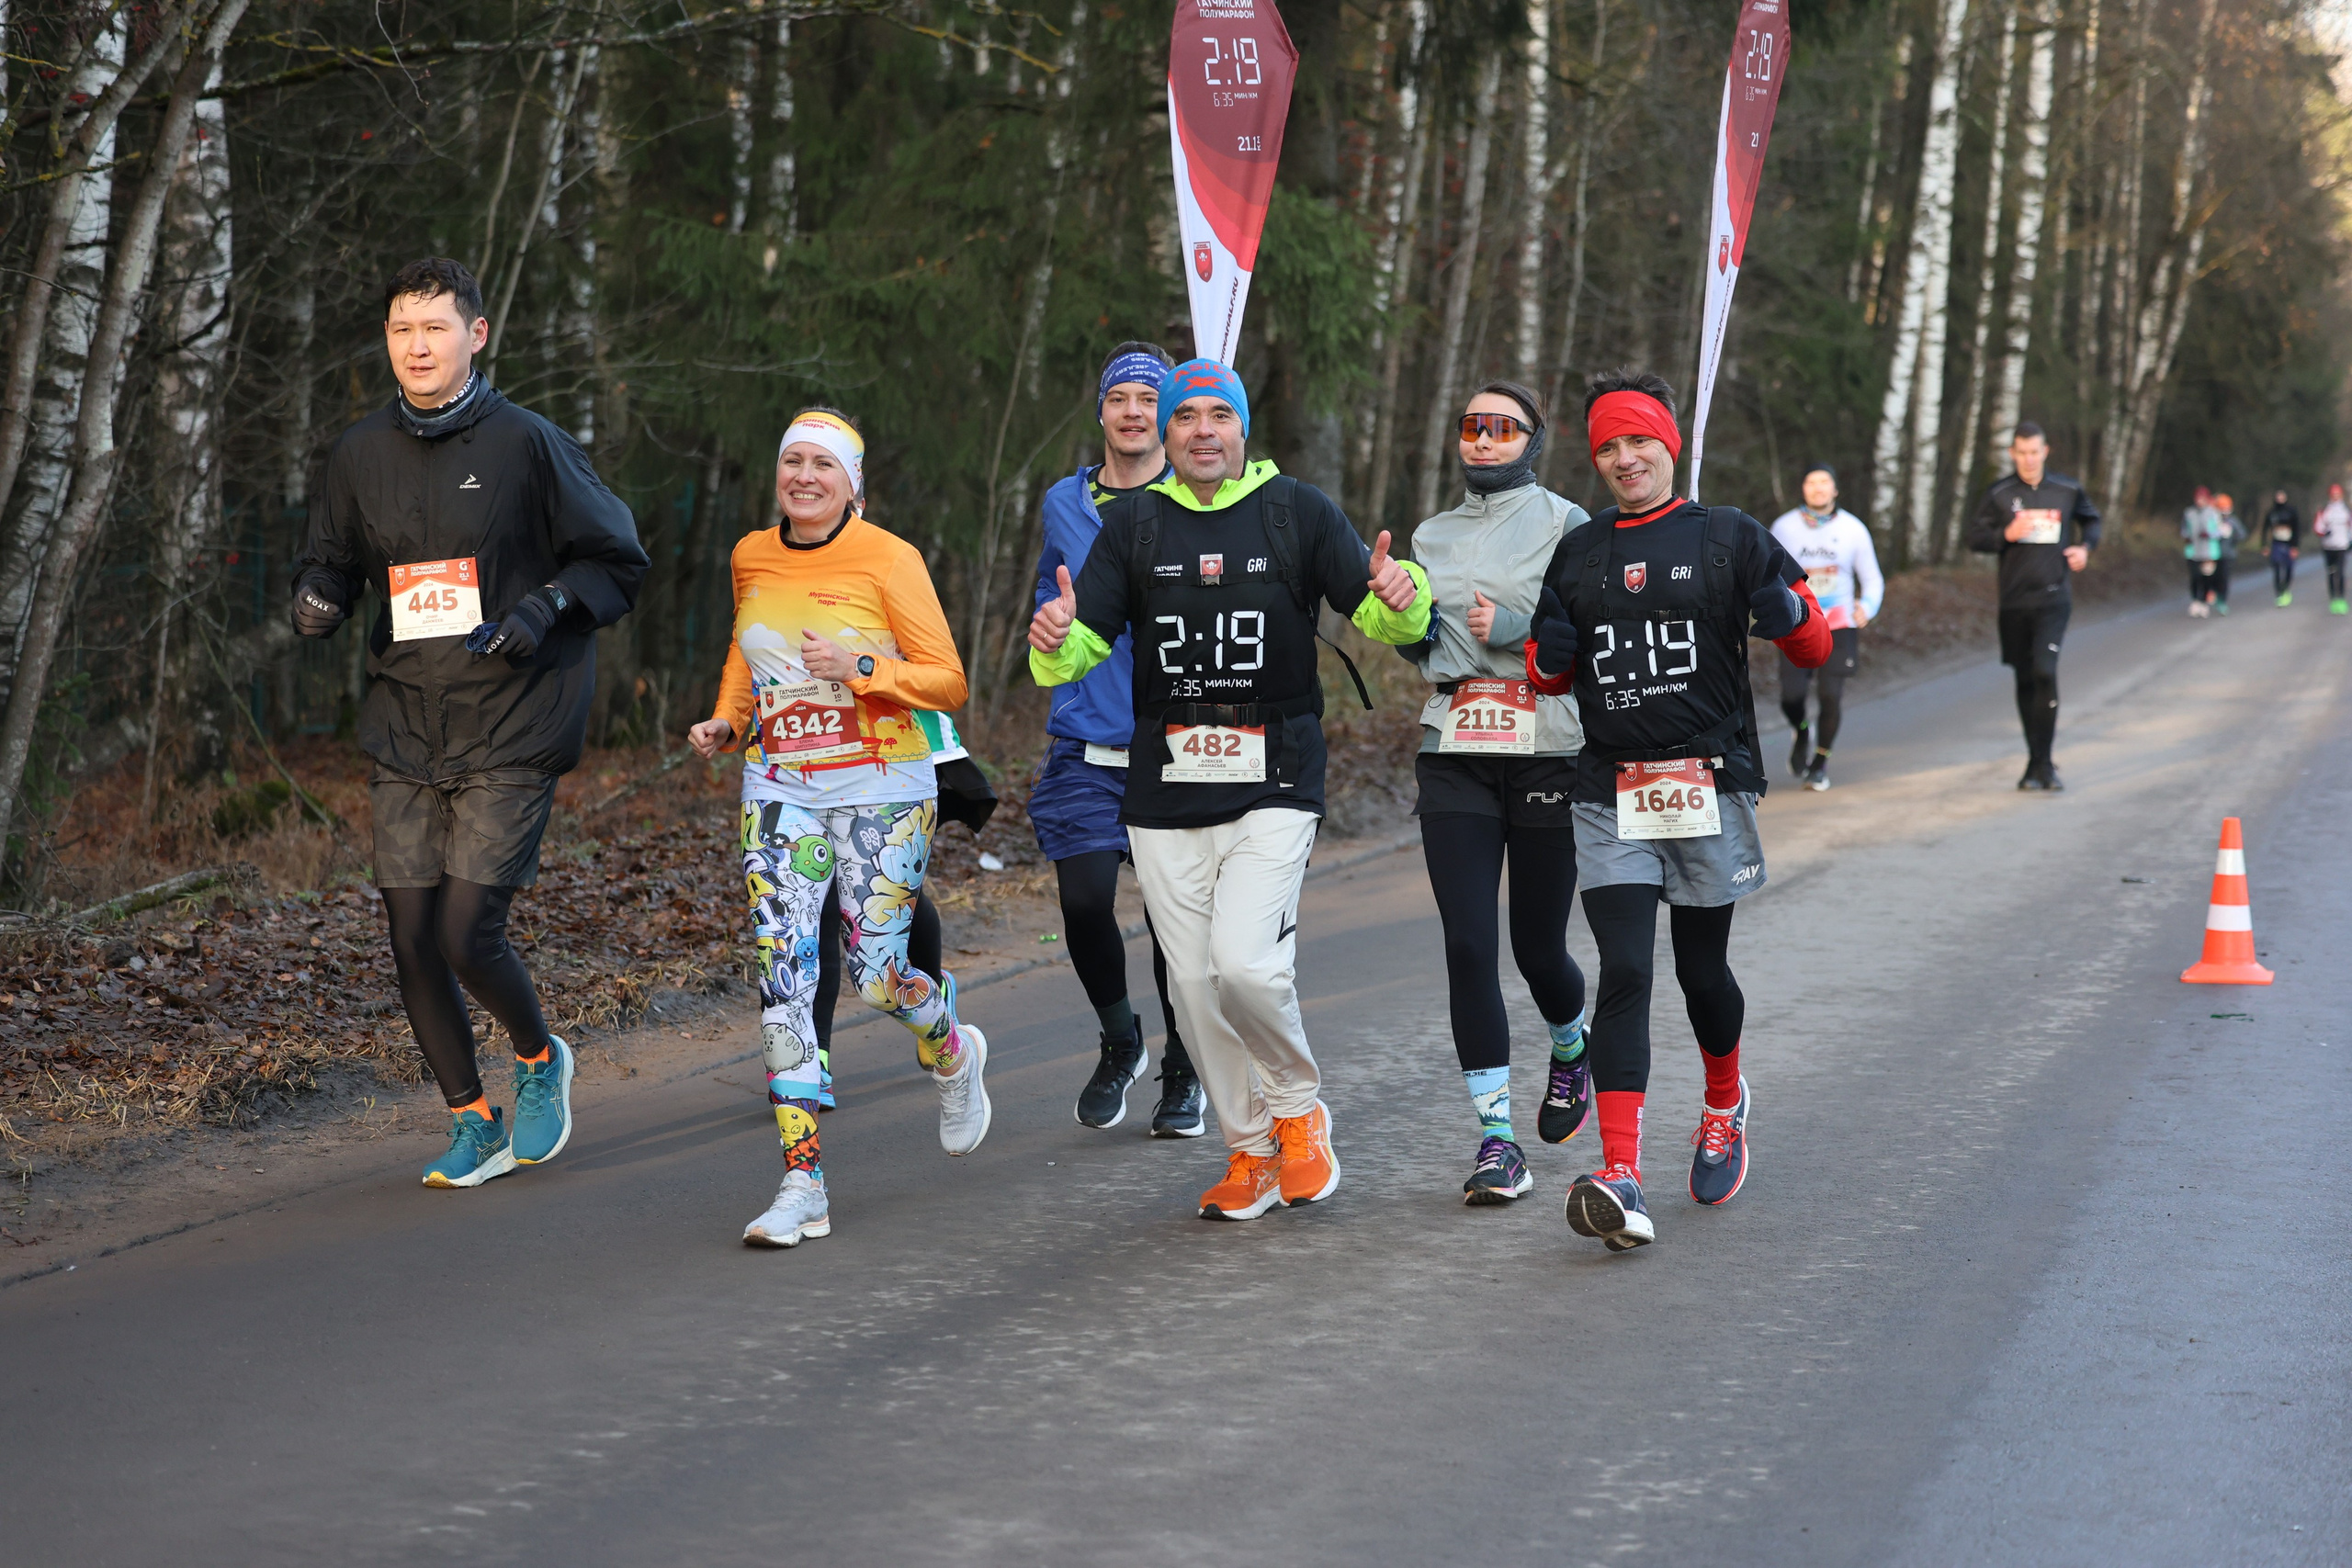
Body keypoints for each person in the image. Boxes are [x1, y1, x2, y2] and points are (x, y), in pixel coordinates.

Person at [1027, 359, 1431, 1220]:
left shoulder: (1297, 511)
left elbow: (1388, 618)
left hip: (1274, 774)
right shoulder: (1134, 524)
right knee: (1191, 988)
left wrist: (1403, 593)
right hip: (1164, 786)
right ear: (1166, 437)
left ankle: (1298, 1110)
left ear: (1242, 429)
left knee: (1246, 965)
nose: (1202, 430)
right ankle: (1247, 1150)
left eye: (1219, 415)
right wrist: (1056, 634)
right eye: (1186, 418)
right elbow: (1076, 653)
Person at [293, 257, 649, 1190]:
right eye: (402, 330)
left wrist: (541, 611)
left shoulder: (529, 444)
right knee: (409, 937)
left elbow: (618, 561)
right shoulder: (359, 452)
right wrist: (317, 598)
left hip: (514, 714)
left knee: (464, 933)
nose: (417, 346)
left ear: (475, 336)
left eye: (436, 328)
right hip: (407, 720)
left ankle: (537, 1060)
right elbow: (330, 560)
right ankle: (471, 1120)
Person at [1523, 368, 1827, 1251]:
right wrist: (1550, 654)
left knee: (1702, 973)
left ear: (1670, 444)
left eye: (1637, 442)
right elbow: (1549, 675)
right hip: (1609, 789)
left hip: (1705, 782)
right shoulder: (1580, 553)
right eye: (1607, 447)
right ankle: (1622, 1172)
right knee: (1625, 967)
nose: (1623, 459)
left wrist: (1787, 611)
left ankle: (1725, 1100)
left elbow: (1810, 638)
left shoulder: (1730, 536)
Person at [687, 407, 989, 1249]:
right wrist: (726, 718)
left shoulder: (892, 559)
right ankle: (802, 1184)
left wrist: (862, 668)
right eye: (793, 462)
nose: (805, 477)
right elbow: (748, 650)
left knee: (876, 977)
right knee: (784, 982)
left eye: (824, 464)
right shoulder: (753, 553)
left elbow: (948, 680)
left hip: (885, 786)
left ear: (851, 482)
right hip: (780, 785)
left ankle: (950, 1044)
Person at [1396, 381, 1591, 1204]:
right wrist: (1401, 616)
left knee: (1537, 947)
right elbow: (1423, 648)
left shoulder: (1571, 524)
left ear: (1532, 439)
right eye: (1471, 426)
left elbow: (1585, 626)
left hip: (1546, 746)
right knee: (1469, 945)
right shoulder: (1429, 535)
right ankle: (1497, 1140)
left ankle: (1571, 1045)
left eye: (1500, 427)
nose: (1481, 440)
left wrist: (1515, 624)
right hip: (1455, 751)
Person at [1028, 343, 1203, 1137]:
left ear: (1167, 416)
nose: (1133, 410)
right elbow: (1048, 601)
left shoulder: (1201, 500)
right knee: (1086, 898)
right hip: (1085, 742)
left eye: (1148, 398)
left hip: (1176, 743)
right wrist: (1050, 626)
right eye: (1120, 397)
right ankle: (1121, 1037)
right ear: (1100, 412)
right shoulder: (1062, 503)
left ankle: (1184, 1066)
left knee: (1174, 921)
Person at [807, 706, 989, 1111]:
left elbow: (939, 672)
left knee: (883, 894)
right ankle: (813, 1058)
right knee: (827, 898)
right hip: (822, 756)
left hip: (909, 750)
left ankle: (930, 992)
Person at [1964, 422, 2101, 791]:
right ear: (2012, 454)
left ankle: (2045, 762)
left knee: (2044, 670)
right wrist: (2003, 536)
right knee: (2025, 678)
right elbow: (1974, 536)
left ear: (2045, 452)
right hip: (2013, 602)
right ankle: (2034, 761)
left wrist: (2085, 549)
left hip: (2054, 597)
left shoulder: (2067, 490)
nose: (2028, 459)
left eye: (2034, 452)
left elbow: (2092, 521)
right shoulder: (1999, 493)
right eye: (2021, 453)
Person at [1770, 465, 1883, 791]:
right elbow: (1767, 573)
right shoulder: (1784, 527)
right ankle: (1802, 729)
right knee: (1791, 697)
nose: (1818, 489)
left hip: (1839, 625)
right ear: (1803, 489)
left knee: (1830, 696)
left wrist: (1868, 606)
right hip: (1795, 623)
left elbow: (1872, 578)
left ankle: (1819, 763)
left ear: (1835, 490)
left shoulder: (1853, 529)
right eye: (1811, 482)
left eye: (1824, 483)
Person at [2182, 487, 2230, 619]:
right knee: (2194, 576)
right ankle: (2195, 601)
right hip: (2193, 550)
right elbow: (2184, 529)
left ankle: (2203, 602)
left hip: (2209, 552)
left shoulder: (2214, 513)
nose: (2200, 501)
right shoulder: (2189, 513)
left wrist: (2209, 534)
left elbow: (2220, 531)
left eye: (2202, 498)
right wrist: (2186, 536)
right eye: (2198, 498)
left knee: (2207, 578)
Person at [2315, 482, 2351, 615]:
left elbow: (2350, 526)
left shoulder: (2345, 509)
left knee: (2341, 573)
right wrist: (2324, 533)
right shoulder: (2325, 510)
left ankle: (2341, 599)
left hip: (2342, 545)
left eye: (2337, 494)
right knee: (2331, 573)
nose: (2335, 496)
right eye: (2333, 494)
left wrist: (2350, 540)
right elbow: (2318, 526)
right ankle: (2333, 599)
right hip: (2328, 546)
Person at [2264, 489, 2301, 607]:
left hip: (2289, 544)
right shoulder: (2272, 512)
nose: (2280, 498)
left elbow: (2297, 529)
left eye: (2282, 496)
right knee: (2277, 567)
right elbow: (2265, 529)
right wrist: (2264, 545)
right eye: (2278, 496)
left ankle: (2286, 589)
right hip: (2276, 544)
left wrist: (2295, 546)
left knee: (2289, 569)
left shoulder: (2291, 511)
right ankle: (2279, 593)